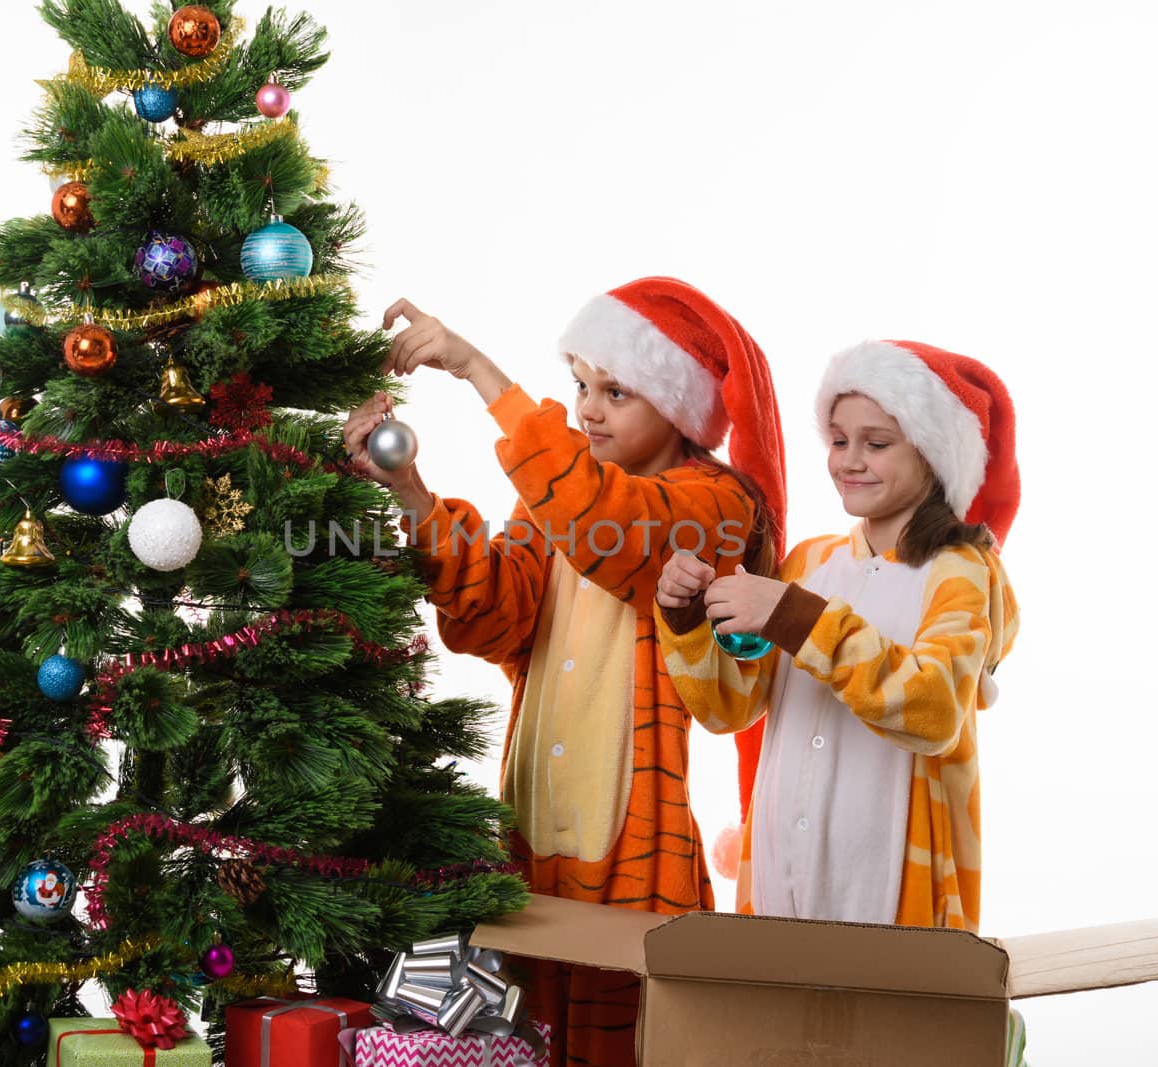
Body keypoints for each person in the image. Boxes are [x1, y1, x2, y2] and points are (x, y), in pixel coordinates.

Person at [342, 277, 785, 1066]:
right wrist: (410, 493)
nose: (588, 408)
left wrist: (478, 369)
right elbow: (496, 608)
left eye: (617, 391)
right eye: (581, 384)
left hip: (632, 856)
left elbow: (609, 527)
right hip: (529, 839)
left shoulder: (713, 503)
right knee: (520, 1042)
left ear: (680, 406)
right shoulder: (560, 491)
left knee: (626, 1042)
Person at [655, 339, 1018, 931]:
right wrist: (689, 622)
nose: (850, 460)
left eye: (876, 443)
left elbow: (933, 711)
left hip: (892, 891)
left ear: (931, 452)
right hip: (779, 877)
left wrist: (797, 617)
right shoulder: (809, 561)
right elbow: (732, 708)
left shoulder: (960, 572)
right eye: (839, 440)